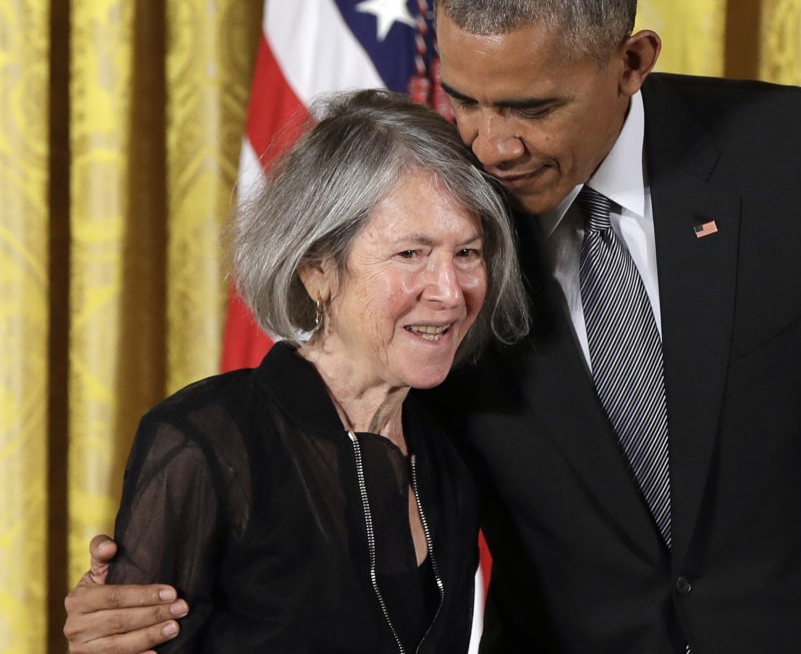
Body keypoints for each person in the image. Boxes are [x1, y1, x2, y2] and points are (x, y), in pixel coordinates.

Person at [65, 0, 801, 654]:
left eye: (531, 108)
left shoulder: (796, 158)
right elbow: (335, 507)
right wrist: (144, 595)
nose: (491, 145)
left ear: (631, 63)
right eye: (465, 99)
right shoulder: (453, 215)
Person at [64, 88, 529, 653]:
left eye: (468, 253)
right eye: (412, 254)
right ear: (317, 270)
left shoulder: (451, 454)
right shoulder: (204, 442)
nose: (450, 292)